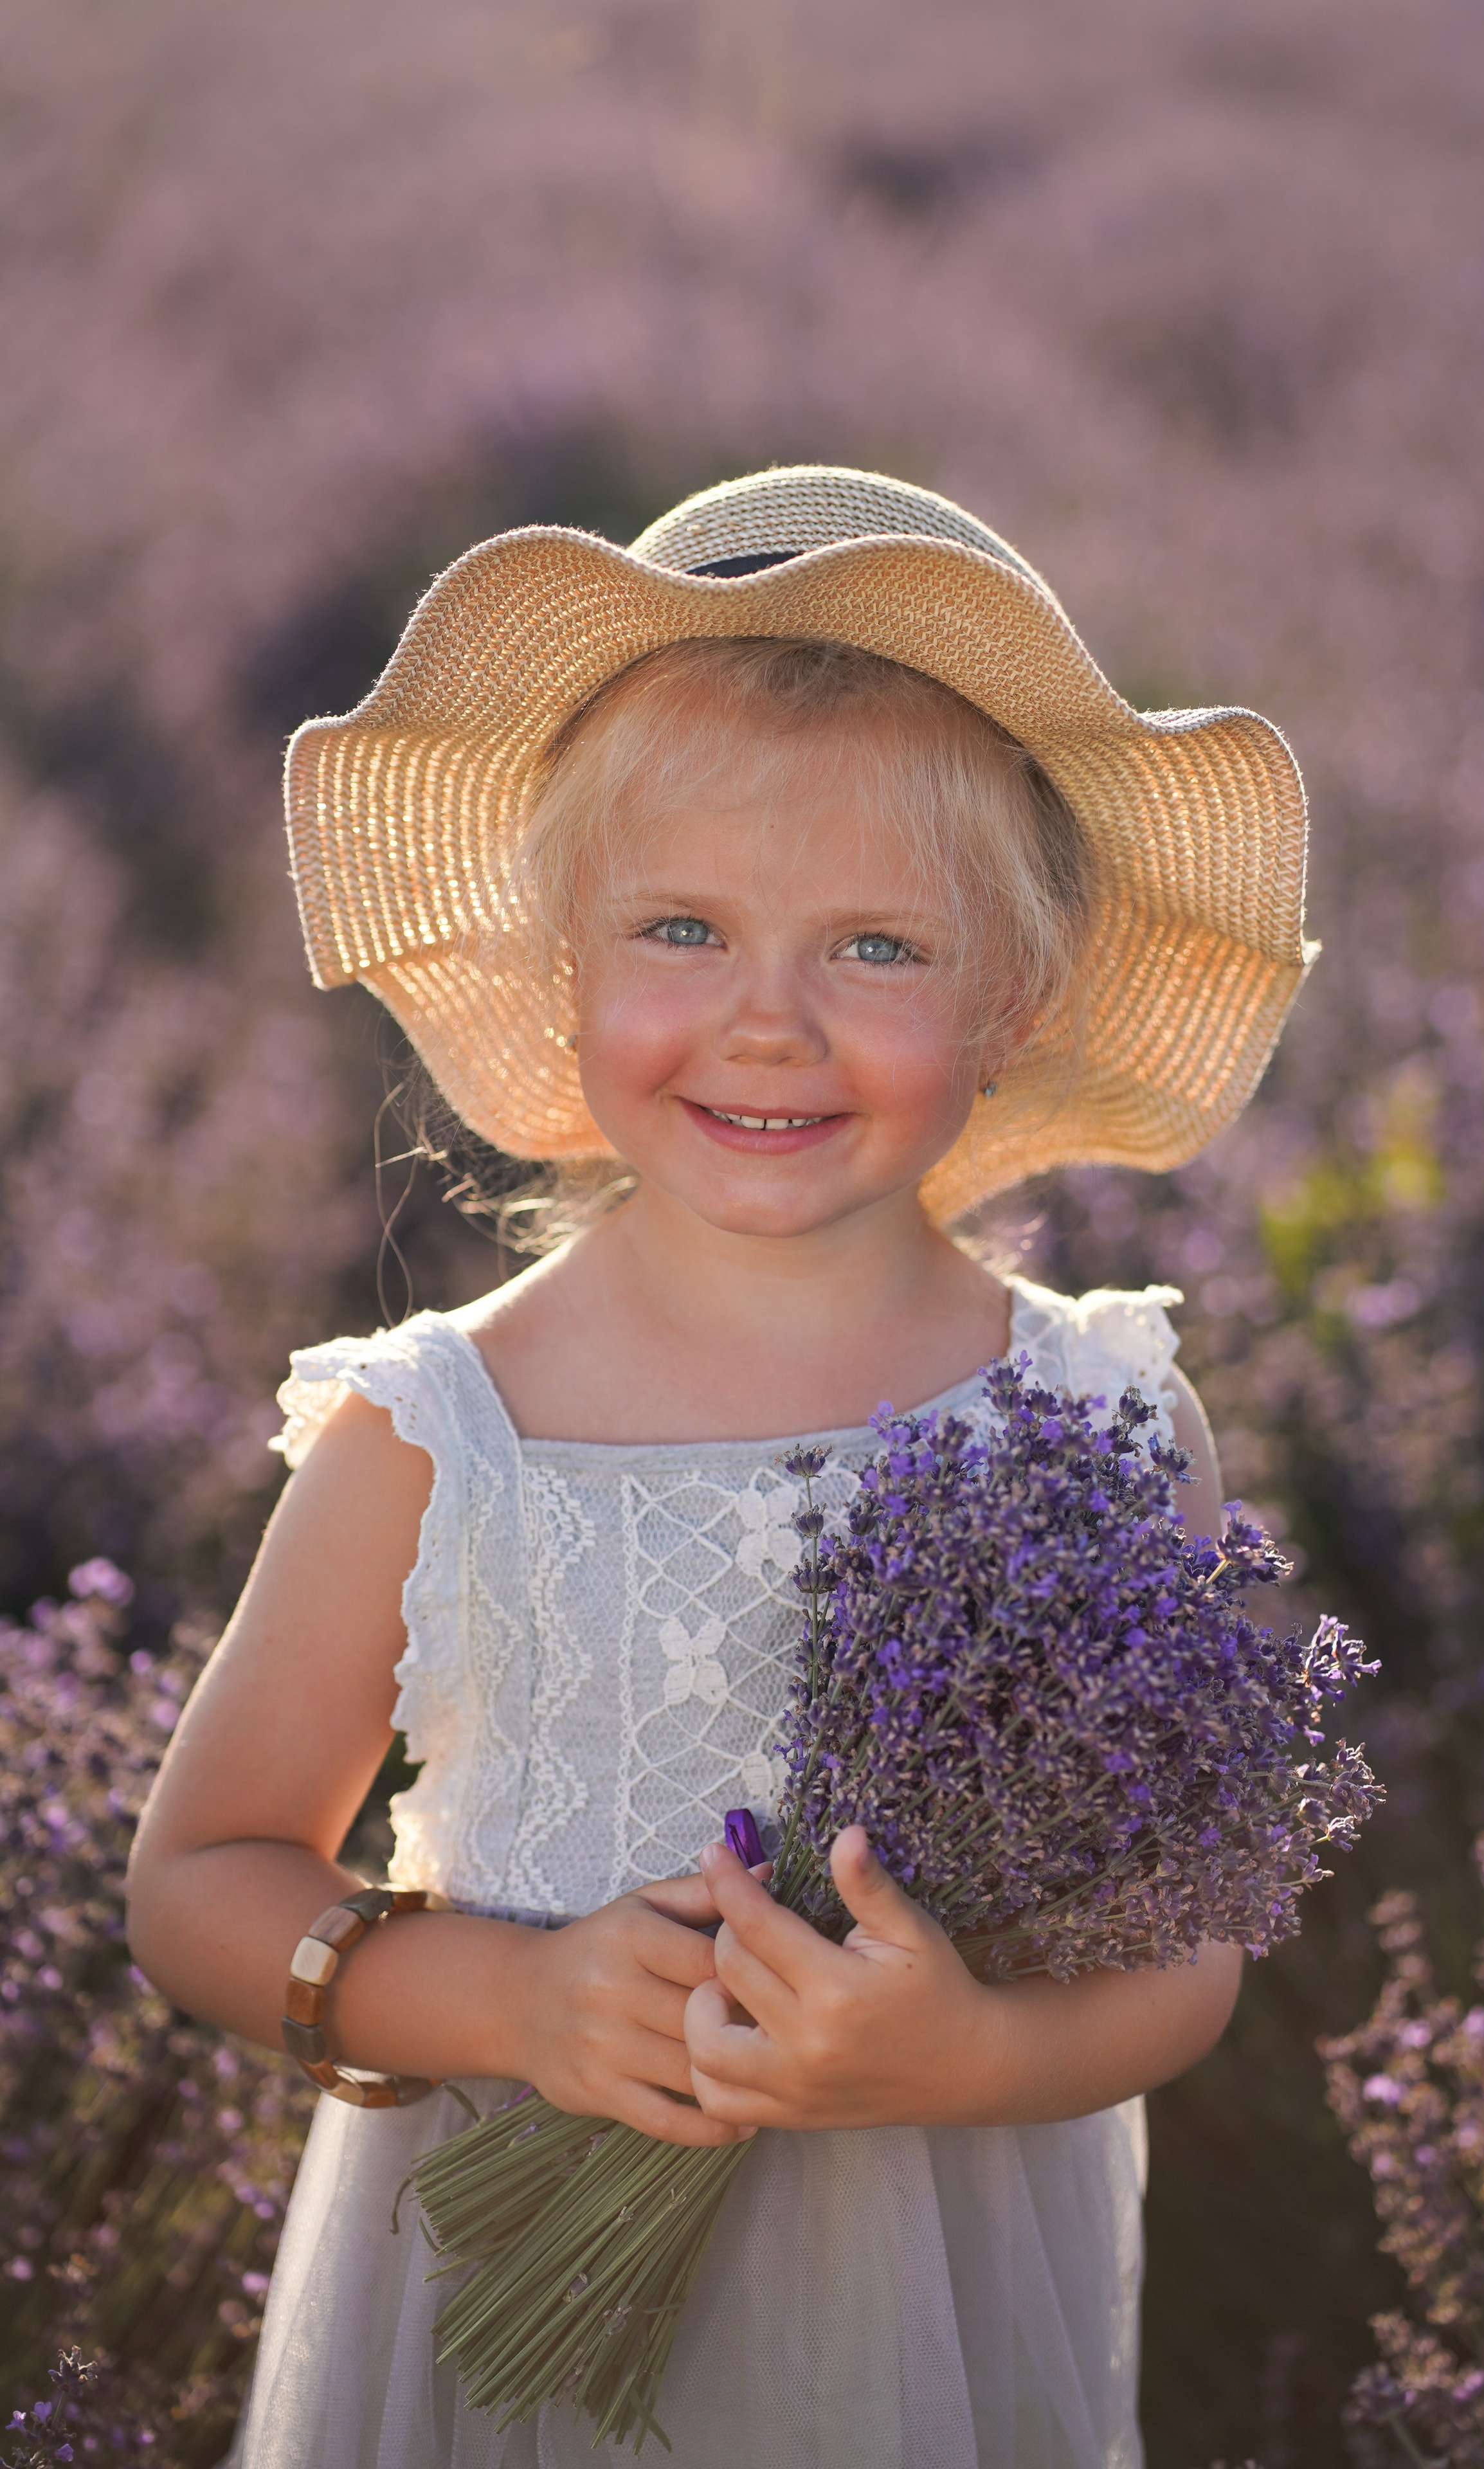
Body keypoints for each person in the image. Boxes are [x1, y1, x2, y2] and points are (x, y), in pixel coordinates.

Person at [127, 466, 1316, 2469]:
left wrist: (978, 2051)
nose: (767, 1022)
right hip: (497, 2353)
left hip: (925, 2317)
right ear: (564, 963)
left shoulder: (1102, 1436)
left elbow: (1182, 1959)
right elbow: (201, 1883)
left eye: (875, 947)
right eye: (681, 928)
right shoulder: (443, 1431)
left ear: (1013, 996)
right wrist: (502, 2009)